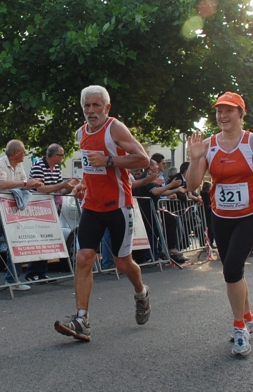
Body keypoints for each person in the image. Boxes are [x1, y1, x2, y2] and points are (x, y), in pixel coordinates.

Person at [185, 92, 253, 357]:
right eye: (219, 111)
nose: (223, 116)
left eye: (229, 111)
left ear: (241, 114)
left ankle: (239, 328)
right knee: (235, 270)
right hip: (221, 217)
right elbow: (192, 185)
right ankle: (248, 315)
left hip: (250, 215)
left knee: (231, 269)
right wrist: (196, 159)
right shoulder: (208, 145)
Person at [54, 85, 151, 342]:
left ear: (107, 108)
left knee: (122, 263)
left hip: (119, 206)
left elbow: (142, 159)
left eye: (96, 105)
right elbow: (89, 167)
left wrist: (109, 160)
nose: (91, 110)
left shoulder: (115, 129)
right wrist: (83, 184)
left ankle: (141, 293)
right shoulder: (81, 134)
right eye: (87, 105)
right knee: (84, 257)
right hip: (92, 206)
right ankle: (81, 319)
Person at [0, 140, 44, 291]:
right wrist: (25, 183)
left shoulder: (20, 165)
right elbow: (2, 184)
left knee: (15, 246)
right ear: (16, 153)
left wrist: (32, 184)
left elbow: (24, 184)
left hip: (12, 213)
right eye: (24, 152)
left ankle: (13, 280)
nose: (25, 154)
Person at [24, 143, 78, 282]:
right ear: (54, 156)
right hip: (40, 209)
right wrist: (62, 185)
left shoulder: (57, 168)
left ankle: (41, 272)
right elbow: (41, 189)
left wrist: (71, 186)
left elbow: (60, 190)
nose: (63, 157)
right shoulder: (39, 167)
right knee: (39, 240)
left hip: (54, 208)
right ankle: (31, 272)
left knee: (47, 239)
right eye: (62, 155)